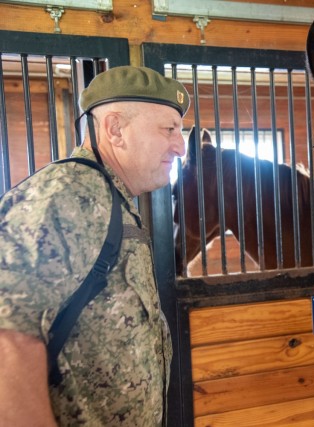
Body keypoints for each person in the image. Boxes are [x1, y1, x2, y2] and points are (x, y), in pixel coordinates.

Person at [0, 66, 190, 426]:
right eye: (169, 129)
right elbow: (7, 339)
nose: (180, 146)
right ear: (115, 129)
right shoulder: (66, 196)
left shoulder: (110, 198)